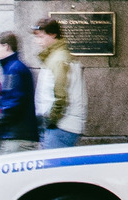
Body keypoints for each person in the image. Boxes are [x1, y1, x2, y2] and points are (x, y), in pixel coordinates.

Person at [0, 31, 39, 155]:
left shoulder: (13, 69)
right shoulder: (16, 67)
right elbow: (15, 98)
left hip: (16, 137)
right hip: (21, 135)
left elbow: (12, 106)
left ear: (6, 46)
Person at [31, 18, 87, 149]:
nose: (37, 41)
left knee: (52, 168)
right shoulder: (58, 57)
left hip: (61, 126)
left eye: (41, 36)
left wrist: (51, 120)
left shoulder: (58, 59)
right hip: (64, 125)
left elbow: (60, 95)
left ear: (53, 34)